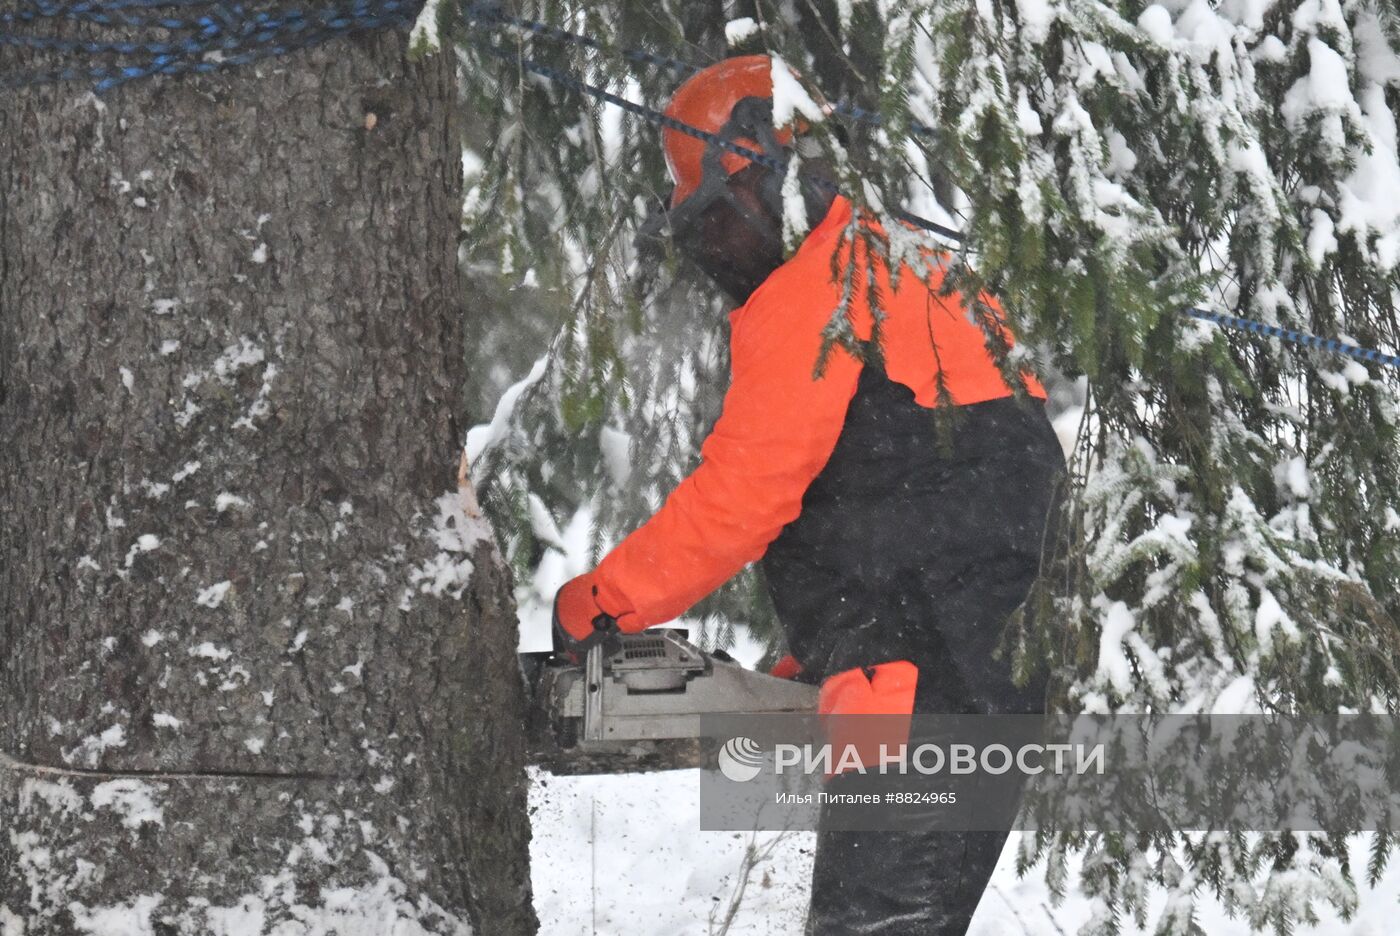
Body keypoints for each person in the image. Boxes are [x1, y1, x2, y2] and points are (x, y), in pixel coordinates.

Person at [552, 55, 1066, 935]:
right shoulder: (918, 276)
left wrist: (602, 602)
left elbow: (746, 496)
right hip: (960, 685)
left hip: (919, 699)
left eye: (720, 220)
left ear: (761, 167)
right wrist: (836, 650)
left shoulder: (825, 286)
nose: (723, 249)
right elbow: (939, 504)